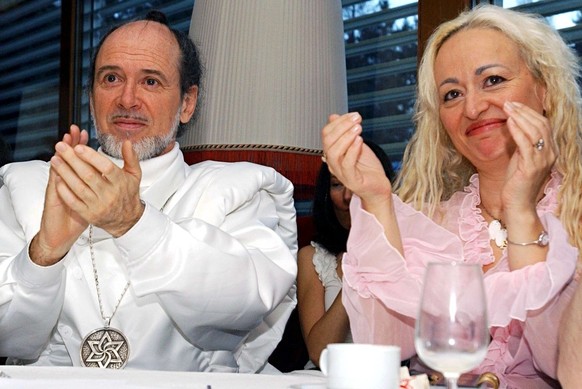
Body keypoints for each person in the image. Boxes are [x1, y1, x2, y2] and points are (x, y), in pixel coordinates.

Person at [0, 10, 297, 373]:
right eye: (111, 78)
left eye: (151, 82)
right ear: (92, 97)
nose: (127, 99)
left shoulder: (237, 189)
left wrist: (134, 224)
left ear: (187, 103)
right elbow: (8, 337)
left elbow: (247, 303)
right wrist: (43, 254)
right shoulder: (28, 187)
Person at [322, 5, 581, 389]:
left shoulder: (573, 217)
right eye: (452, 93)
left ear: (544, 89)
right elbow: (385, 345)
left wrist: (522, 210)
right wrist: (377, 200)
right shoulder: (433, 224)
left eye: (493, 80)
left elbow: (564, 364)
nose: (473, 108)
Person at [297, 140, 394, 368]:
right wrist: (357, 270)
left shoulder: (406, 251)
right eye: (337, 185)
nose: (348, 196)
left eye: (357, 182)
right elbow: (319, 353)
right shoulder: (313, 257)